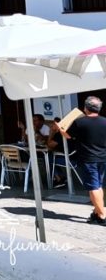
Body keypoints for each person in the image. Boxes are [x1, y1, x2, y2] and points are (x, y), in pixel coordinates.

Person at [55, 96, 106, 224]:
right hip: (103, 158)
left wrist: (60, 129)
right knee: (99, 185)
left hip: (88, 158)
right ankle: (96, 212)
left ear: (86, 108)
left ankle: (102, 216)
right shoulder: (105, 121)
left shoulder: (80, 122)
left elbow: (68, 135)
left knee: (93, 187)